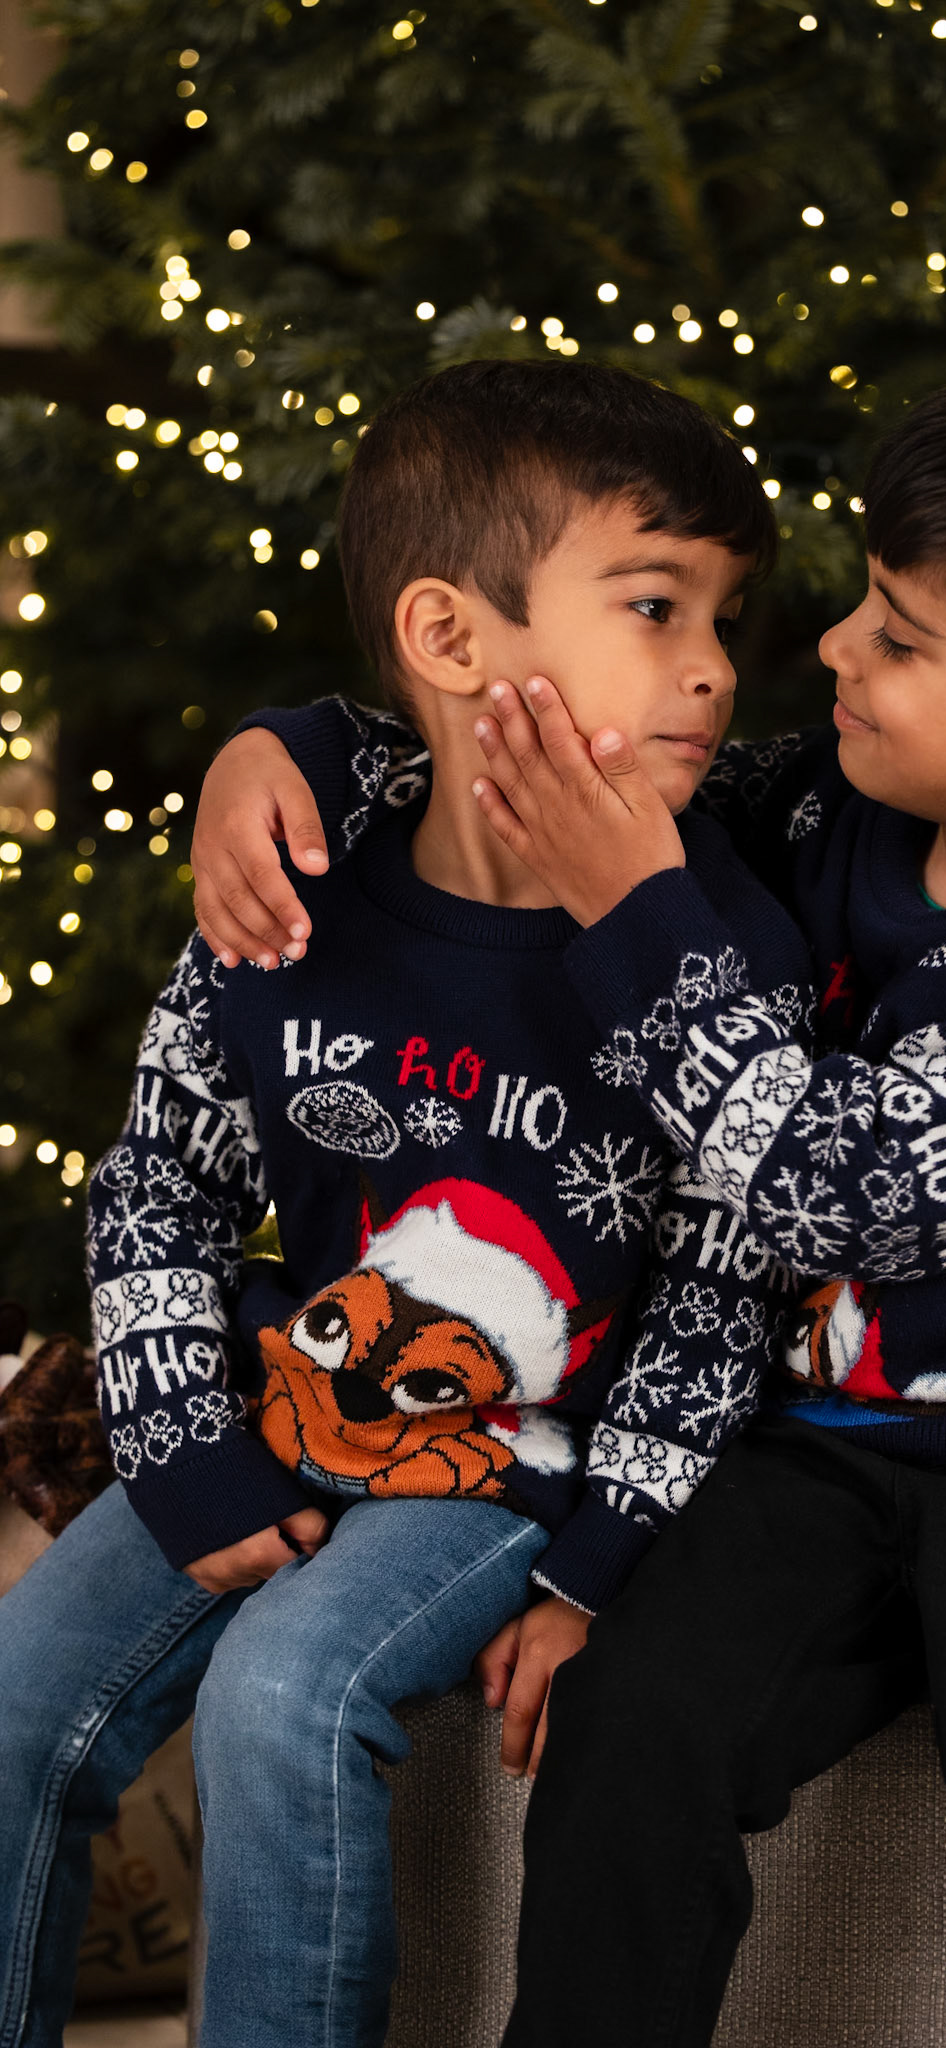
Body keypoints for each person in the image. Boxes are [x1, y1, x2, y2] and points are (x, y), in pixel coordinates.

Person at [191, 343, 946, 2048]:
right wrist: (279, 749)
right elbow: (537, 747)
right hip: (801, 1450)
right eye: (865, 600)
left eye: (900, 635)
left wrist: (636, 912)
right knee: (633, 1728)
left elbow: (834, 1192)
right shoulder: (822, 798)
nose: (833, 649)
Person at [0, 359, 815, 2048]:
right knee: (15, 1698)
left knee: (285, 1693)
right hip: (281, 1394)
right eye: (654, 606)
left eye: (722, 618)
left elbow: (720, 1294)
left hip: (523, 1461)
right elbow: (161, 1176)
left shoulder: (714, 946)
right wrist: (180, 1443)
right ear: (447, 637)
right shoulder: (290, 884)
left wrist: (599, 1564)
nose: (714, 669)